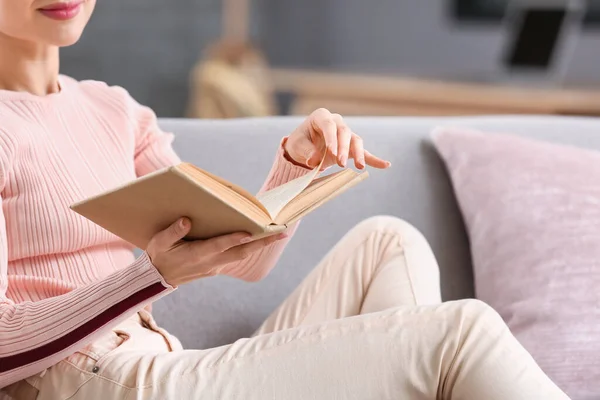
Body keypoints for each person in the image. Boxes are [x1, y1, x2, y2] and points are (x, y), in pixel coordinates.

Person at [0, 1, 570, 399]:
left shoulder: (115, 112)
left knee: (389, 244)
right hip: (88, 384)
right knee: (459, 333)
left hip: (163, 366)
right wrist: (148, 277)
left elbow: (244, 257)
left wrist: (297, 167)